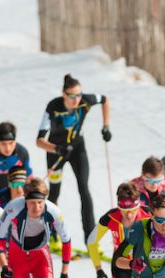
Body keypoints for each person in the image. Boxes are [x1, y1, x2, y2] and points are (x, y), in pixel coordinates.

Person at [36, 74, 111, 242]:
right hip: (56, 152)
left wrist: (106, 126)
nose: (76, 99)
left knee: (84, 189)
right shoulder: (53, 107)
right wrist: (57, 149)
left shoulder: (85, 100)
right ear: (64, 94)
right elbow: (39, 141)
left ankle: (91, 239)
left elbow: (105, 100)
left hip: (77, 149)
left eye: (79, 95)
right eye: (72, 96)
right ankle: (52, 235)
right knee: (54, 193)